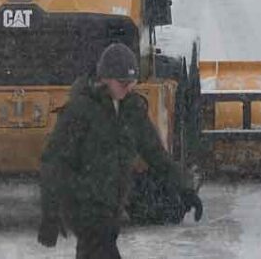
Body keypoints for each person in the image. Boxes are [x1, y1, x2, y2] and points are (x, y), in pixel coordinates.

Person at [38, 42, 203, 259]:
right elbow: (54, 162)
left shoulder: (132, 109)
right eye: (122, 83)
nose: (128, 89)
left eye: (132, 83)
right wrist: (50, 213)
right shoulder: (81, 110)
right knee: (101, 246)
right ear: (104, 78)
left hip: (112, 203)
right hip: (83, 204)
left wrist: (185, 189)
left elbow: (155, 154)